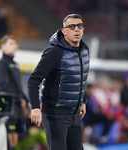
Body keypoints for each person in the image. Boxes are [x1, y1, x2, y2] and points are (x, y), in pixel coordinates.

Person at [28, 14, 90, 150]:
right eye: (71, 27)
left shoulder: (84, 50)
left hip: (74, 115)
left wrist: (83, 101)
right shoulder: (54, 53)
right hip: (55, 115)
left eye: (79, 26)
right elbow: (33, 80)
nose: (76, 30)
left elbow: (80, 78)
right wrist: (35, 107)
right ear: (64, 31)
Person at [0, 35, 29, 150]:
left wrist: (25, 100)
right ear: (3, 47)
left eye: (15, 43)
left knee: (16, 132)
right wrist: (19, 98)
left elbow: (18, 86)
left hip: (18, 105)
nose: (14, 46)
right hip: (8, 104)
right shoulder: (1, 65)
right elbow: (3, 84)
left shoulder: (15, 64)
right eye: (11, 43)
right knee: (8, 131)